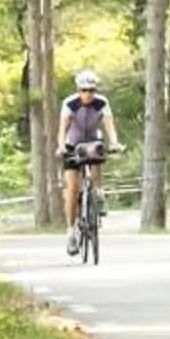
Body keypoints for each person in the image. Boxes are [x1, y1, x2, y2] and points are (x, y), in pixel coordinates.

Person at [58, 70, 121, 253]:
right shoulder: (70, 104)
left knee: (97, 155)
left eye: (91, 90)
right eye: (84, 90)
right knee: (72, 189)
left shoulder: (102, 103)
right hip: (73, 144)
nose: (88, 94)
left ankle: (98, 194)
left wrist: (115, 143)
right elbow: (62, 129)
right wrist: (61, 146)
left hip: (93, 142)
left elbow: (109, 126)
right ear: (79, 90)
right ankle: (71, 232)